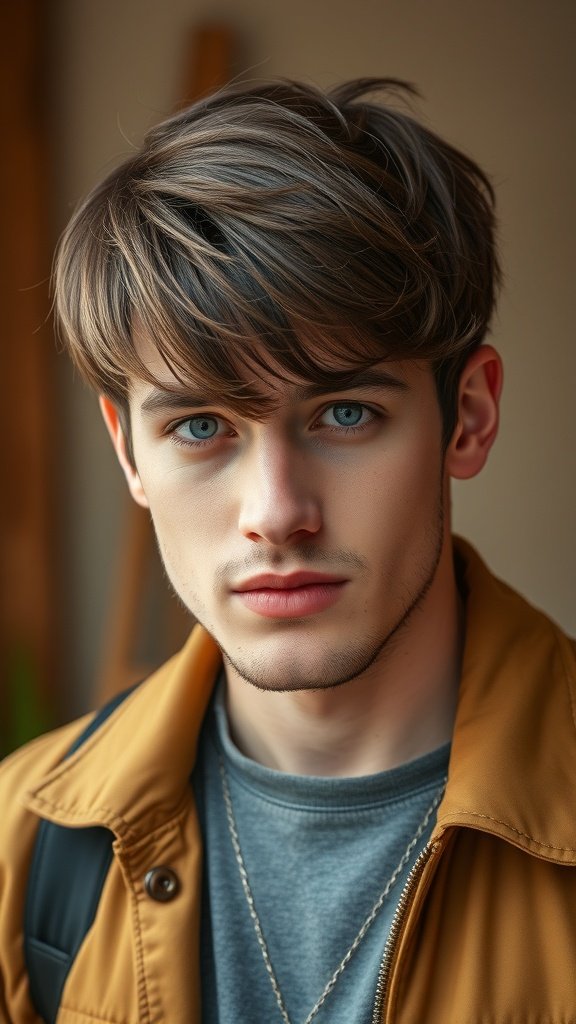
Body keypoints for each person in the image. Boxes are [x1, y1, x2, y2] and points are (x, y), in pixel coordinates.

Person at [1, 77, 575, 1024]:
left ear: (465, 418)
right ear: (128, 452)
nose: (276, 513)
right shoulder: (29, 850)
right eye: (200, 427)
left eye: (345, 413)